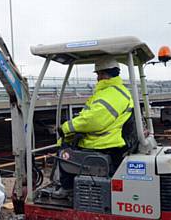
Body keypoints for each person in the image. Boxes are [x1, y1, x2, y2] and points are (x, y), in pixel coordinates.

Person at [55, 56, 134, 196]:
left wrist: (66, 128)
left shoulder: (111, 93)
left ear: (104, 74)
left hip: (103, 144)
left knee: (64, 152)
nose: (97, 78)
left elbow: (93, 120)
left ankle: (67, 188)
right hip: (109, 141)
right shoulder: (116, 91)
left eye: (98, 74)